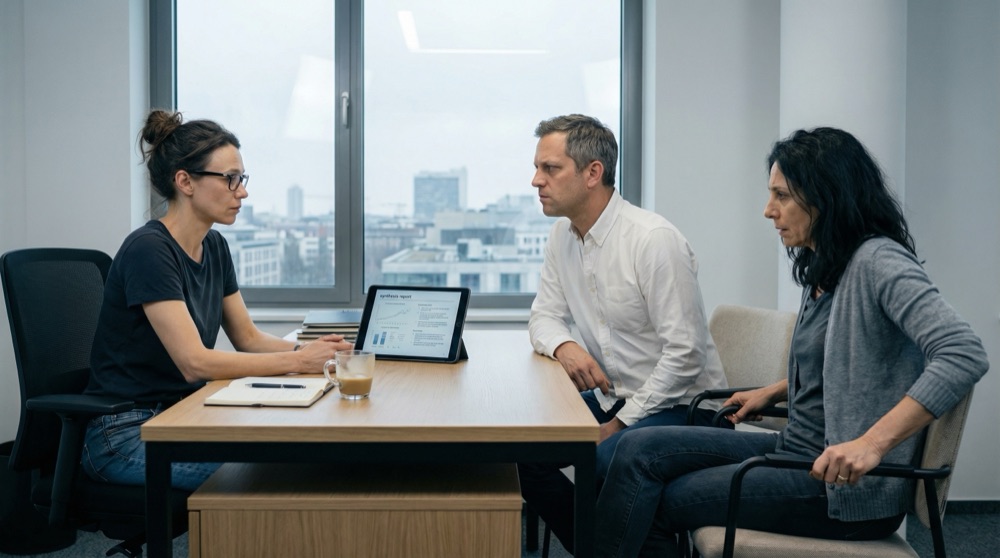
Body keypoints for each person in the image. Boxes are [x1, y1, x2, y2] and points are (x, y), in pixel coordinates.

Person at [594, 127, 989, 557]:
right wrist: (778, 390)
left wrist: (870, 444)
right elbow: (840, 358)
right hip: (796, 450)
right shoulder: (826, 264)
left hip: (838, 488)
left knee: (662, 499)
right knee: (636, 449)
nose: (768, 211)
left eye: (782, 196)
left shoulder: (879, 261)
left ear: (826, 196)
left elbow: (962, 353)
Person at [82, 110, 353, 492]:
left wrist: (319, 354)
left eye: (241, 179)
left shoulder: (214, 245)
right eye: (230, 180)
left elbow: (248, 338)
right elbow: (194, 363)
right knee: (261, 474)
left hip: (182, 414)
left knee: (286, 453)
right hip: (126, 434)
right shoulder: (149, 250)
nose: (241, 191)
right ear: (185, 182)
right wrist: (297, 361)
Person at [522, 114, 728, 553]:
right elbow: (543, 317)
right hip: (615, 396)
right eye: (537, 168)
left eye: (550, 168)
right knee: (525, 457)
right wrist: (566, 345)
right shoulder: (562, 237)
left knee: (604, 461)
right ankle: (599, 549)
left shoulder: (653, 240)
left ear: (593, 172)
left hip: (685, 407)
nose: (536, 180)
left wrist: (620, 423)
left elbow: (685, 354)